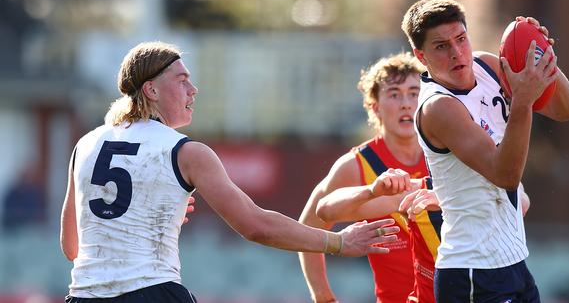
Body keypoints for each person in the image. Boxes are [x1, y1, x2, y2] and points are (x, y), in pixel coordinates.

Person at [59, 41, 400, 303]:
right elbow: (256, 226)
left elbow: (72, 246)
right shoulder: (185, 151)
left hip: (83, 294)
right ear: (151, 90)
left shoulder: (86, 143)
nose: (193, 90)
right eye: (182, 81)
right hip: (151, 292)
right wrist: (339, 242)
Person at [400, 0, 569, 302]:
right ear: (420, 55)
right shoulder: (438, 107)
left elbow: (567, 109)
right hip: (473, 271)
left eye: (461, 39)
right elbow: (505, 174)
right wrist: (522, 101)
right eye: (441, 46)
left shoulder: (489, 67)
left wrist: (542, 56)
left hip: (513, 261)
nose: (457, 53)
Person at [298, 53, 430, 303]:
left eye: (414, 92)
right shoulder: (356, 165)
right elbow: (308, 228)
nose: (406, 103)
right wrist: (323, 297)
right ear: (375, 107)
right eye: (394, 94)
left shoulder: (449, 153)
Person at [315, 166, 530, 303]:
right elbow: (325, 209)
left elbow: (521, 202)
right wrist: (372, 190)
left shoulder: (500, 185)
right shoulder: (418, 192)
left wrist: (449, 201)